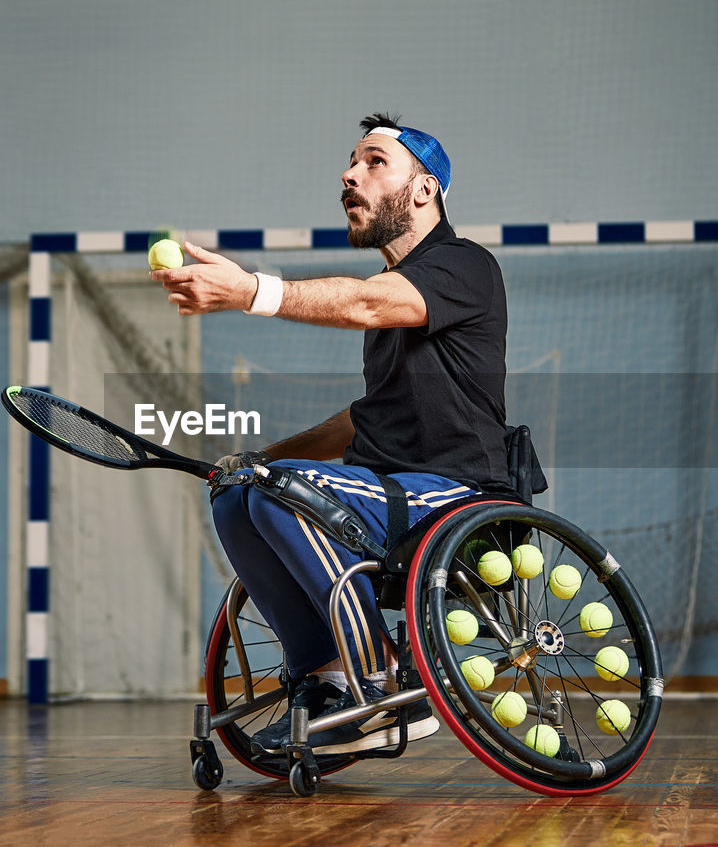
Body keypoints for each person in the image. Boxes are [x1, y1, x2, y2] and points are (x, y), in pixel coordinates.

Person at [151, 113, 509, 755]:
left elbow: (364, 302)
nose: (349, 174)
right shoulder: (391, 306)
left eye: (374, 162)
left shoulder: (462, 266)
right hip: (390, 491)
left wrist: (249, 291)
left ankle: (379, 677)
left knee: (279, 492)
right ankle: (324, 677)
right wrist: (259, 459)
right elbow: (364, 419)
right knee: (239, 494)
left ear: (424, 189)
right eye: (351, 162)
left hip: (458, 496)